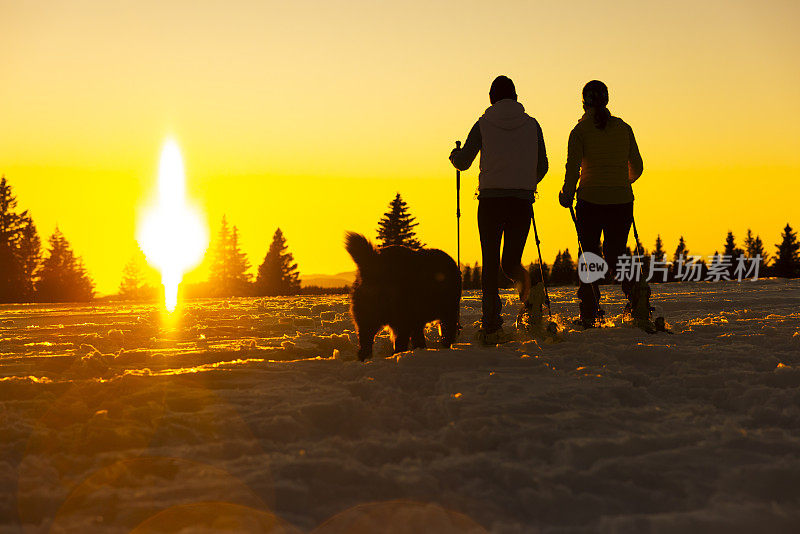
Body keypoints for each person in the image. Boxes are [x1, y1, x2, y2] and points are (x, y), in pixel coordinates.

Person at [450, 75, 548, 344]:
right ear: (515, 97)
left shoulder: (483, 124)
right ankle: (532, 295)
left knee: (491, 264)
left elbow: (464, 162)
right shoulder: (532, 125)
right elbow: (543, 167)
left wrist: (453, 157)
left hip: (490, 202)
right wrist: (524, 182)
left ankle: (492, 324)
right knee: (511, 263)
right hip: (521, 201)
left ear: (492, 98)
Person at [558, 80, 644, 327]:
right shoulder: (623, 128)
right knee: (617, 254)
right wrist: (622, 180)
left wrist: (566, 194)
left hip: (590, 200)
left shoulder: (579, 132)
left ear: (583, 102)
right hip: (621, 200)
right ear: (607, 100)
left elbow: (572, 170)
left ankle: (589, 310)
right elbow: (637, 166)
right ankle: (637, 299)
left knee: (589, 254)